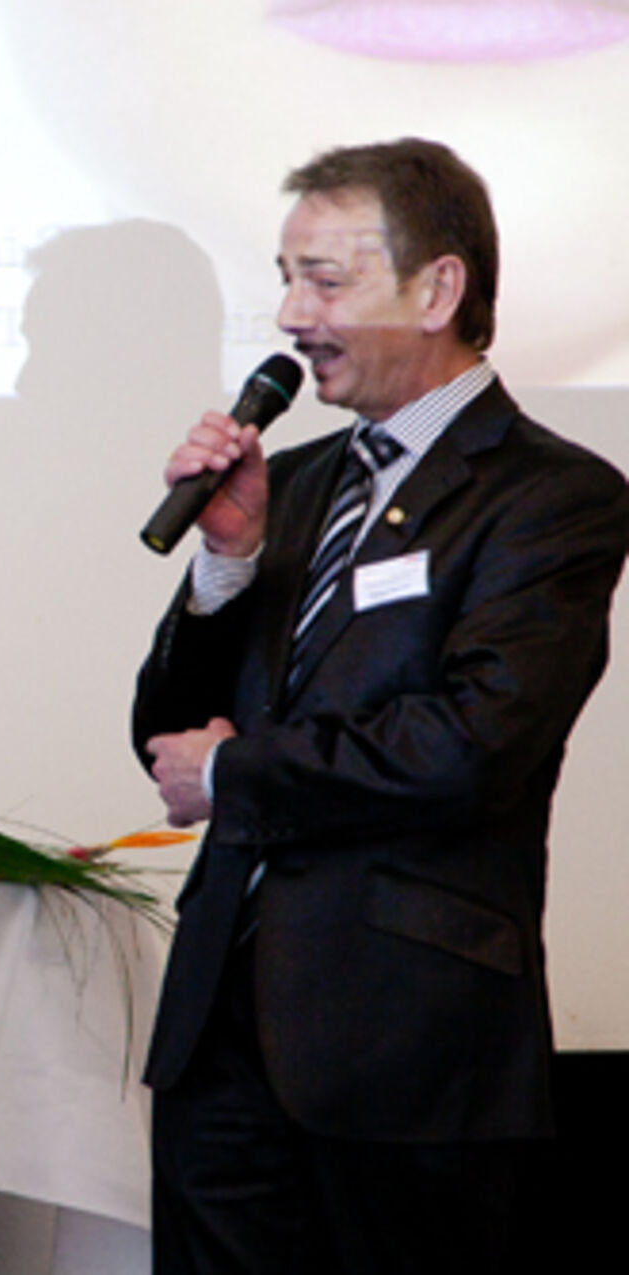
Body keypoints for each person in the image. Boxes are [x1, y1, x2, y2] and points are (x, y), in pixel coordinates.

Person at [133, 138, 629, 1273]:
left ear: (438, 288)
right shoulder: (295, 483)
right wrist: (226, 564)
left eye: (324, 280)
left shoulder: (552, 497)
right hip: (222, 1037)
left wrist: (234, 773)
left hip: (407, 1049)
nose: (289, 316)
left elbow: (471, 744)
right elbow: (164, 737)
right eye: (285, 278)